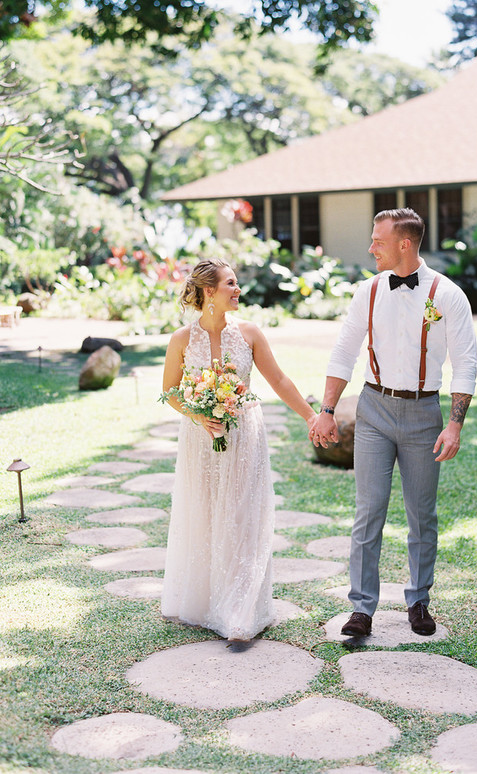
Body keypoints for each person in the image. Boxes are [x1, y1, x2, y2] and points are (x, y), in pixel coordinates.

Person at [310, 208, 477, 637]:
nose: (370, 248)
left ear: (404, 244)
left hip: (424, 414)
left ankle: (418, 601)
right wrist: (327, 411)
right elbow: (344, 351)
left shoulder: (448, 295)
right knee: (369, 512)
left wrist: (454, 424)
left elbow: (465, 365)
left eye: (377, 241)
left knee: (422, 515)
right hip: (373, 410)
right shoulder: (367, 291)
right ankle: (362, 608)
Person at [161, 258, 317, 642]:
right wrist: (199, 416)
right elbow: (170, 392)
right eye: (231, 283)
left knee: (244, 516)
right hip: (200, 440)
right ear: (208, 292)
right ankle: (205, 600)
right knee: (206, 513)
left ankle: (241, 611)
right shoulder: (182, 339)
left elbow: (278, 379)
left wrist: (312, 417)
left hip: (245, 436)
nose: (238, 290)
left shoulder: (249, 333)